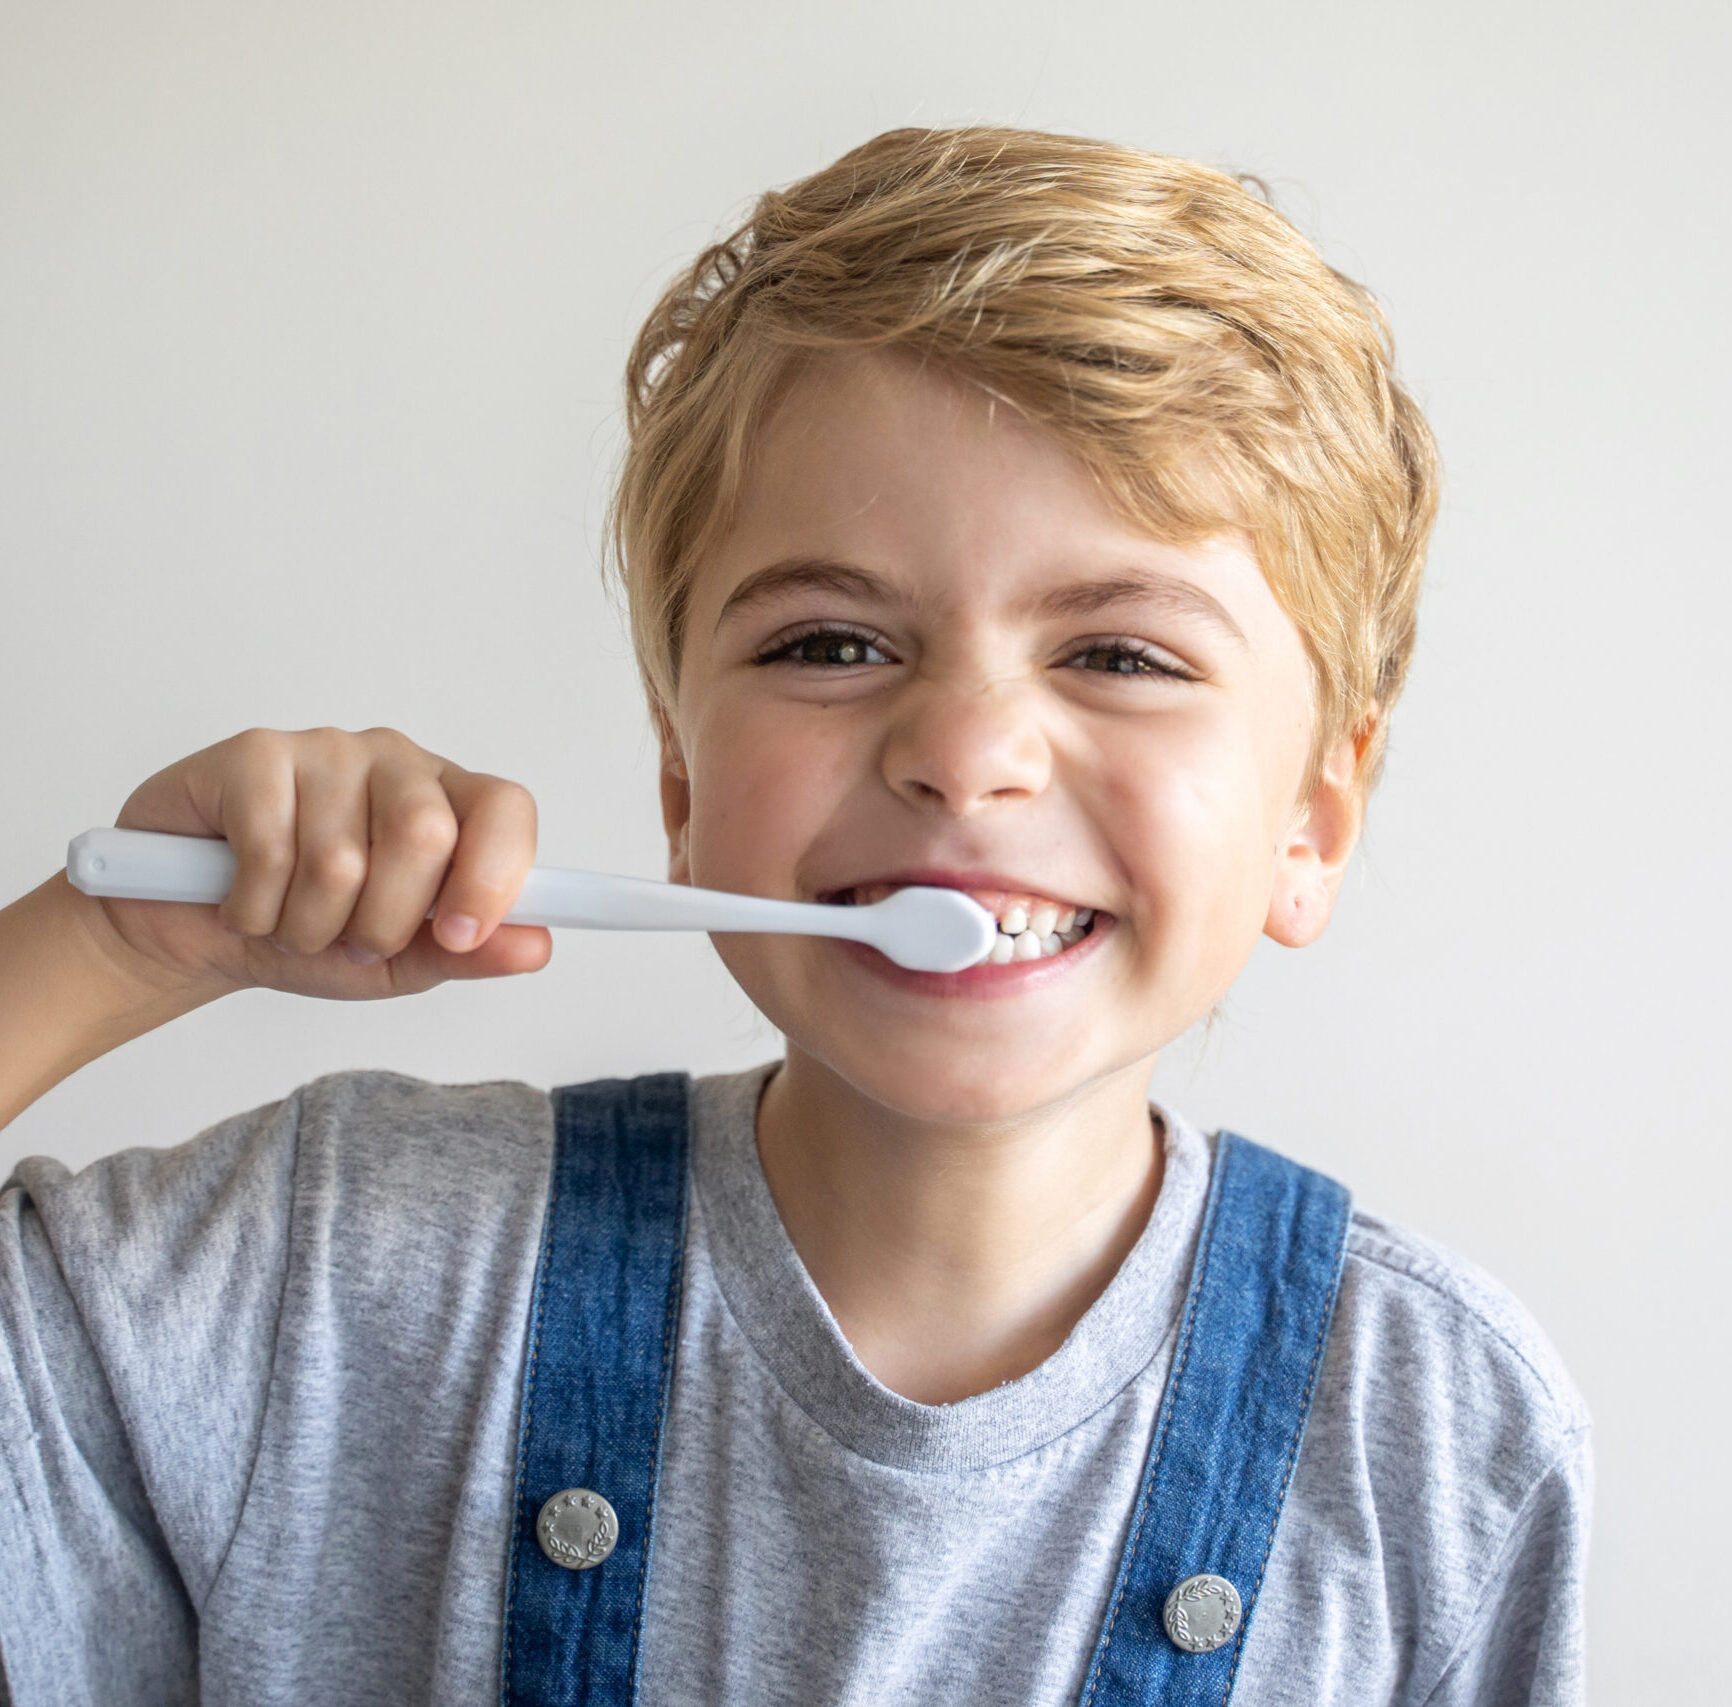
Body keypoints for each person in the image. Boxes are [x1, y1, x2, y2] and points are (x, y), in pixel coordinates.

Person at [0, 126, 1589, 1706]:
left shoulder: (1441, 1441)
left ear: (1314, 819)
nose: (964, 756)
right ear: (681, 774)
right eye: (831, 646)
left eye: (1121, 654)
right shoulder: (322, 1282)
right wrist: (111, 946)